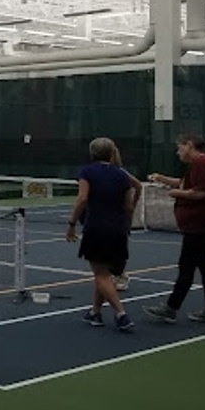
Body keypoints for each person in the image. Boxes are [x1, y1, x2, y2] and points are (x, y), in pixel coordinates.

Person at [144, 134, 205, 325]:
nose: (178, 152)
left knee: (187, 266)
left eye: (180, 148)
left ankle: (171, 308)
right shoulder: (199, 164)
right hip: (204, 223)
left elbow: (199, 192)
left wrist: (175, 194)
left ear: (189, 146)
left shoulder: (201, 163)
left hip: (202, 224)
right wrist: (162, 179)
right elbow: (185, 184)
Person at [66, 138, 136, 332]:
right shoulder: (122, 175)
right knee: (102, 274)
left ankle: (121, 314)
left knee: (100, 275)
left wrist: (71, 223)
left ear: (92, 153)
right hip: (118, 230)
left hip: (96, 228)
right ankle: (95, 313)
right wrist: (126, 226)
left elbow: (82, 199)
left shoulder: (86, 172)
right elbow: (129, 206)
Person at [109, 145, 143, 291]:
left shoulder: (120, 173)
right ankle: (112, 274)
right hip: (105, 215)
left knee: (119, 246)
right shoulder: (97, 172)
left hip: (119, 216)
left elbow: (138, 186)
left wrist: (132, 206)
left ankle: (120, 275)